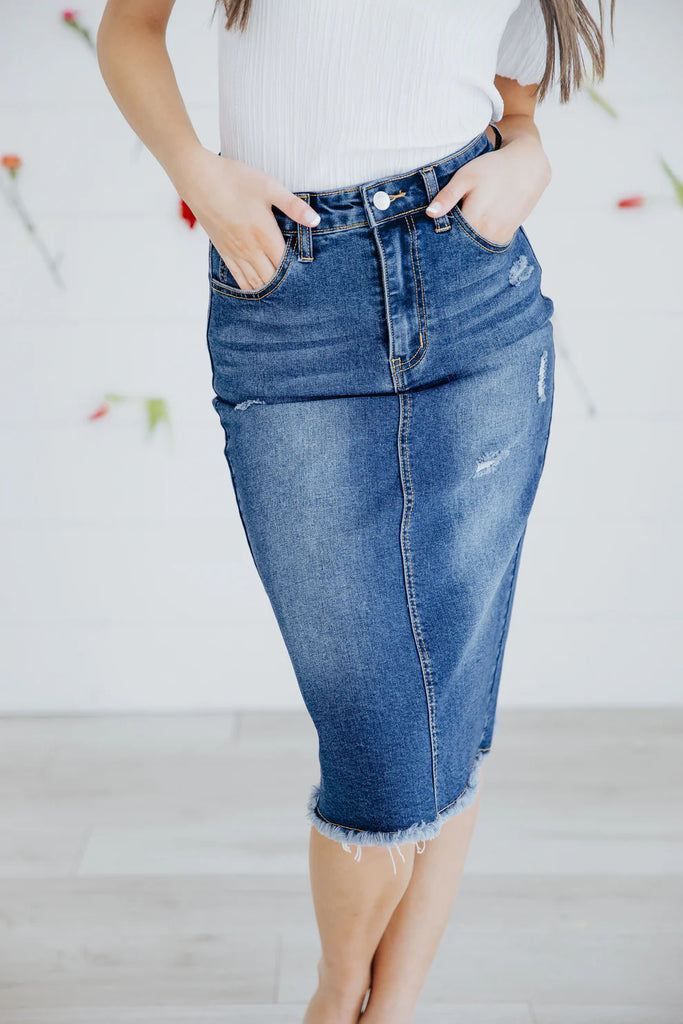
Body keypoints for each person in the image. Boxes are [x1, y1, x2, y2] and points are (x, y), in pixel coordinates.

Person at [96, 2, 615, 1021]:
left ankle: (388, 1012)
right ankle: (338, 996)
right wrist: (199, 176)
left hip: (473, 288)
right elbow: (129, 26)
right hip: (291, 295)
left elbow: (512, 91)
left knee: (449, 710)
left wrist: (528, 152)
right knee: (382, 744)